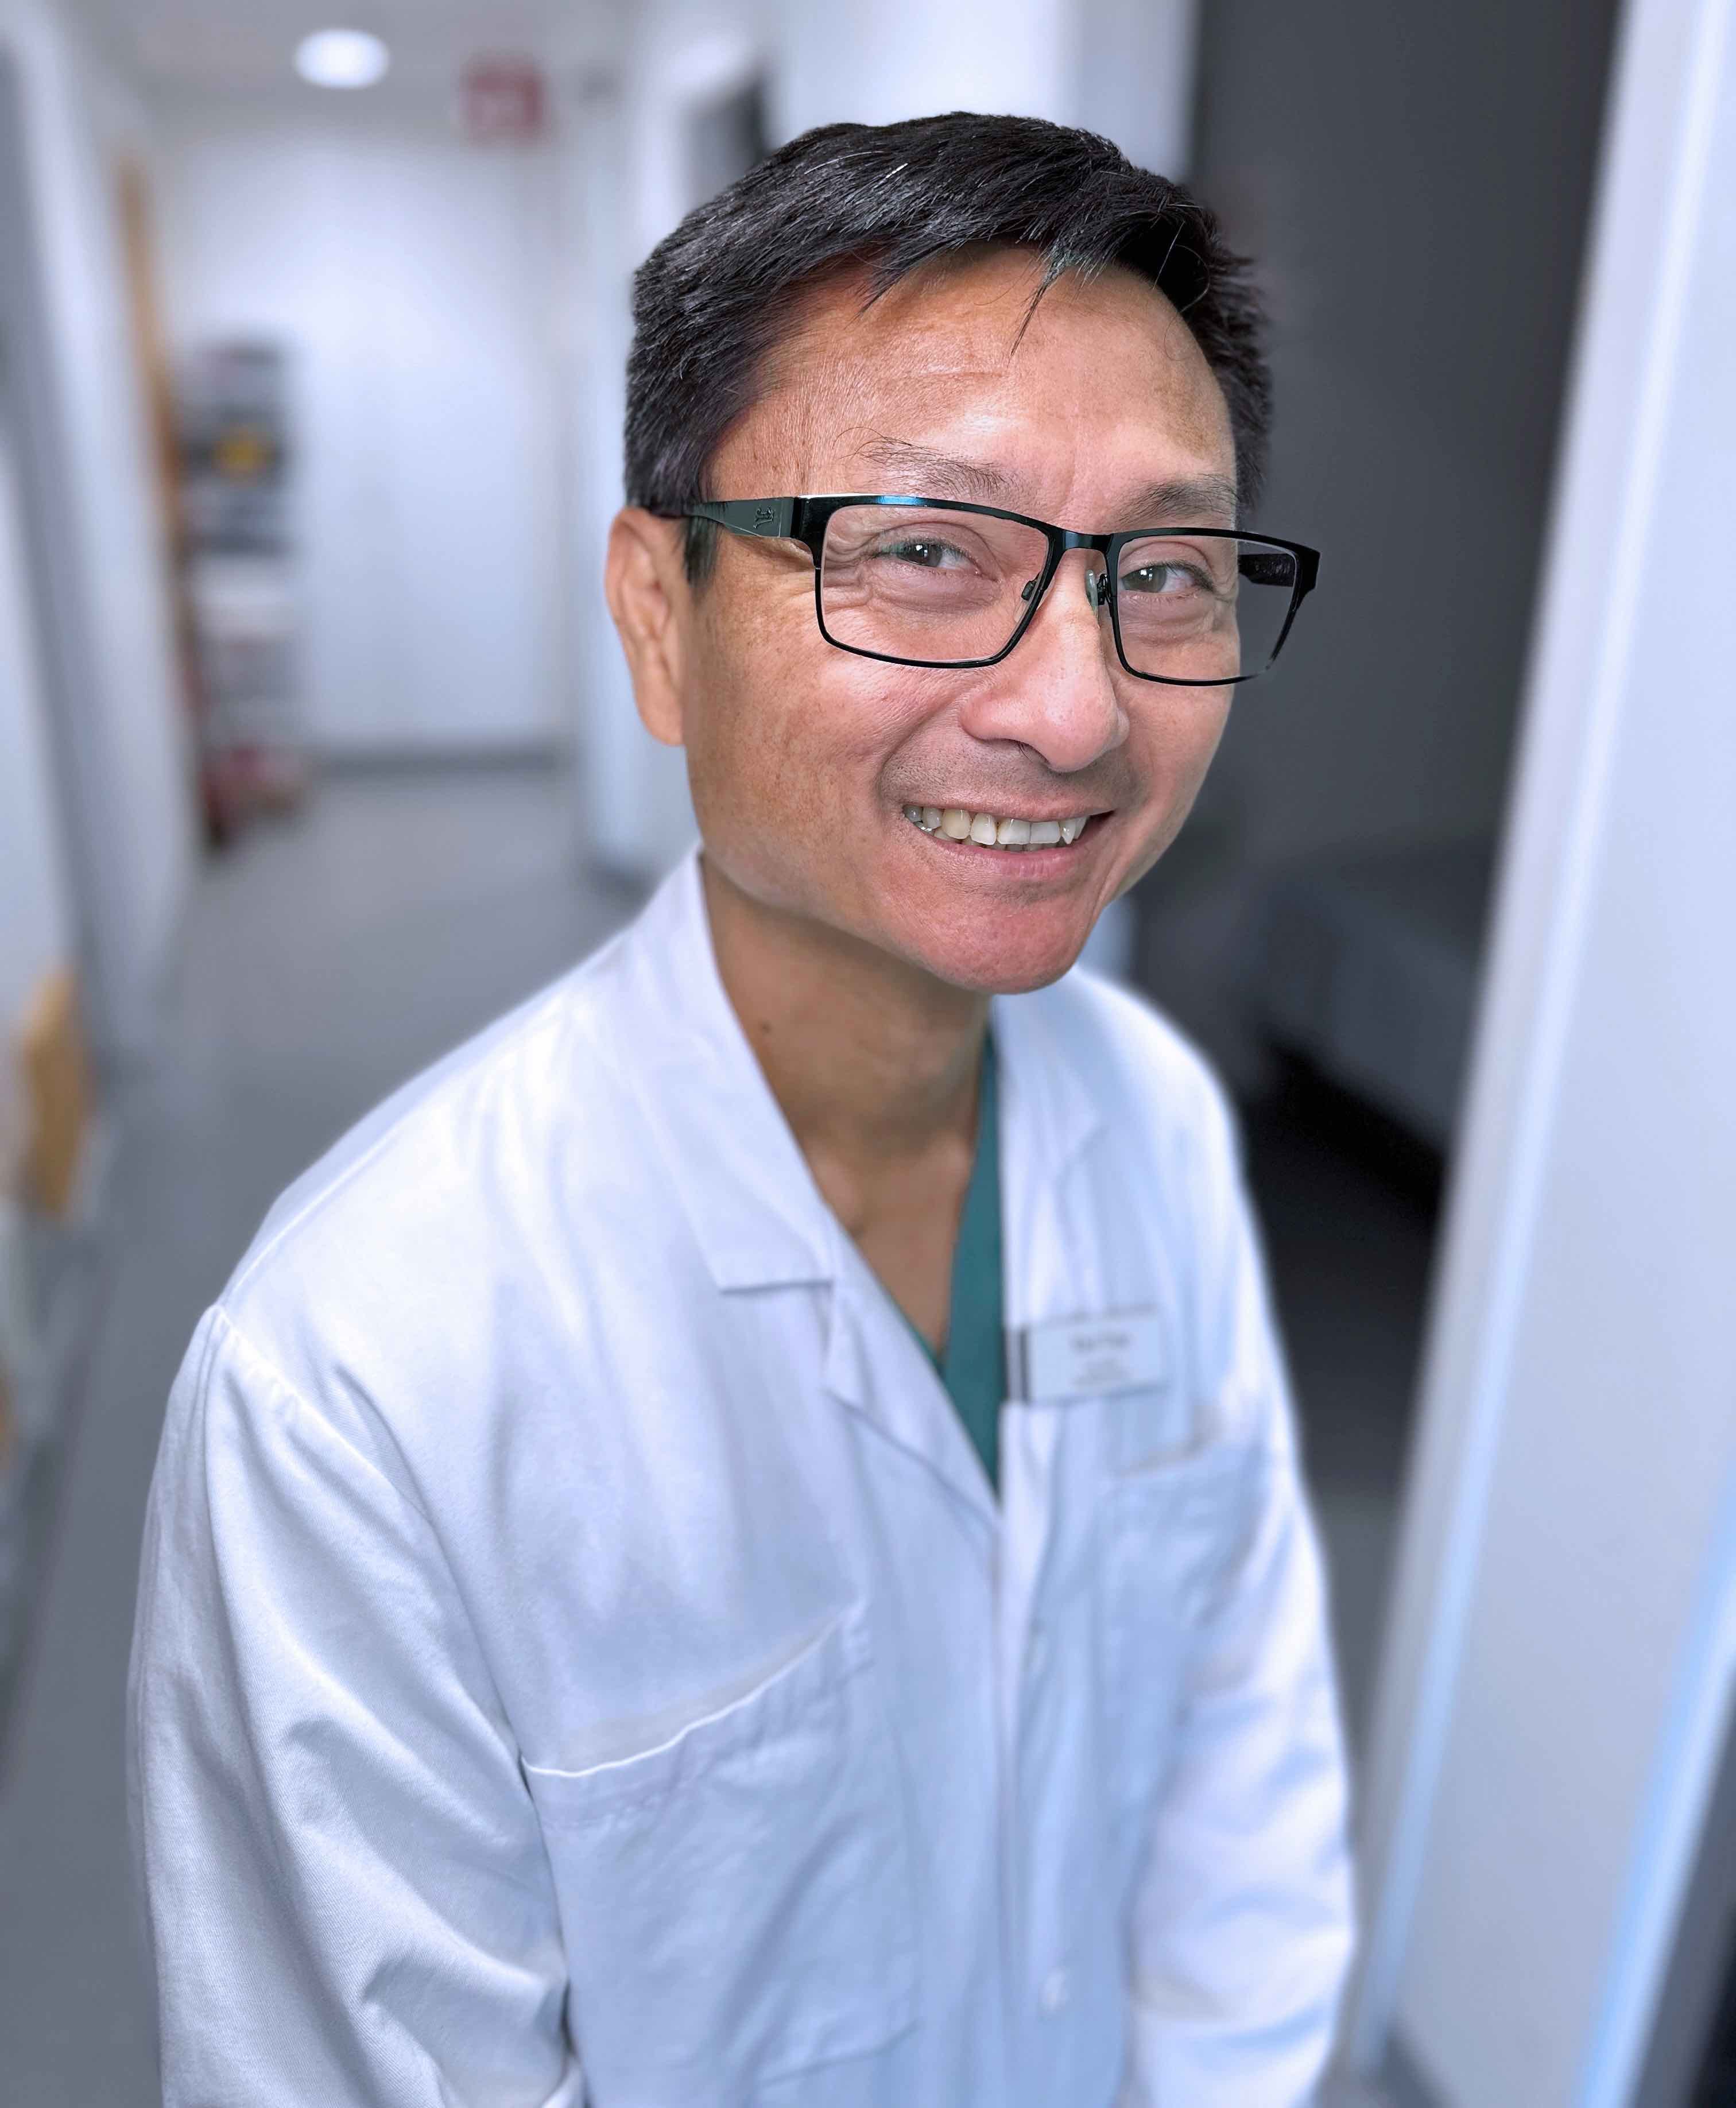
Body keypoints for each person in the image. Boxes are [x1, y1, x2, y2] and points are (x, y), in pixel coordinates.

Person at [129, 112, 1354, 2107]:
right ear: (655, 614)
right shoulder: (361, 1382)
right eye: (927, 552)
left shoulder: (1155, 1121)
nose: (1078, 708)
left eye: (1172, 569)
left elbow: (1244, 1778)